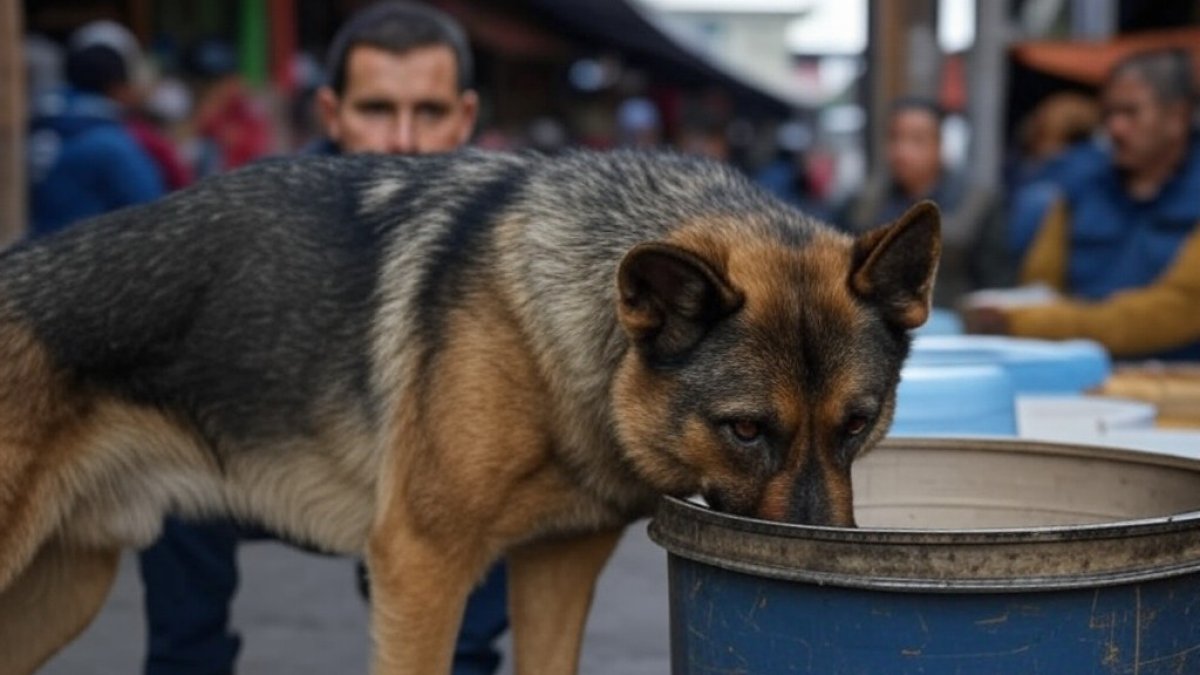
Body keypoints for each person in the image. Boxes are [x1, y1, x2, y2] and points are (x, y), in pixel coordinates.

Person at [136, 4, 508, 675]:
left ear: (465, 117)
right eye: (376, 109)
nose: (403, 140)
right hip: (298, 468)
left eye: (428, 112)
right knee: (170, 464)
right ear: (332, 114)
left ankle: (458, 659)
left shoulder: (512, 233)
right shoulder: (263, 216)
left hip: (447, 478)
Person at [964, 49, 1200, 361]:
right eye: (1109, 114)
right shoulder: (1080, 185)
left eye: (1131, 112)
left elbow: (1181, 311)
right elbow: (1041, 283)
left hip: (1182, 378)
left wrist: (1033, 322)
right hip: (1079, 372)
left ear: (1177, 118)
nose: (1115, 127)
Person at [837, 97, 1012, 307]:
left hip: (950, 313)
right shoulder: (865, 201)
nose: (901, 151)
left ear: (939, 145)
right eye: (894, 138)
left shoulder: (976, 202)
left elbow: (994, 282)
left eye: (917, 140)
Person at [27, 35, 165, 238]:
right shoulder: (111, 146)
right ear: (116, 87)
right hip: (83, 252)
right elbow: (155, 215)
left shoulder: (41, 123)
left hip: (32, 248)